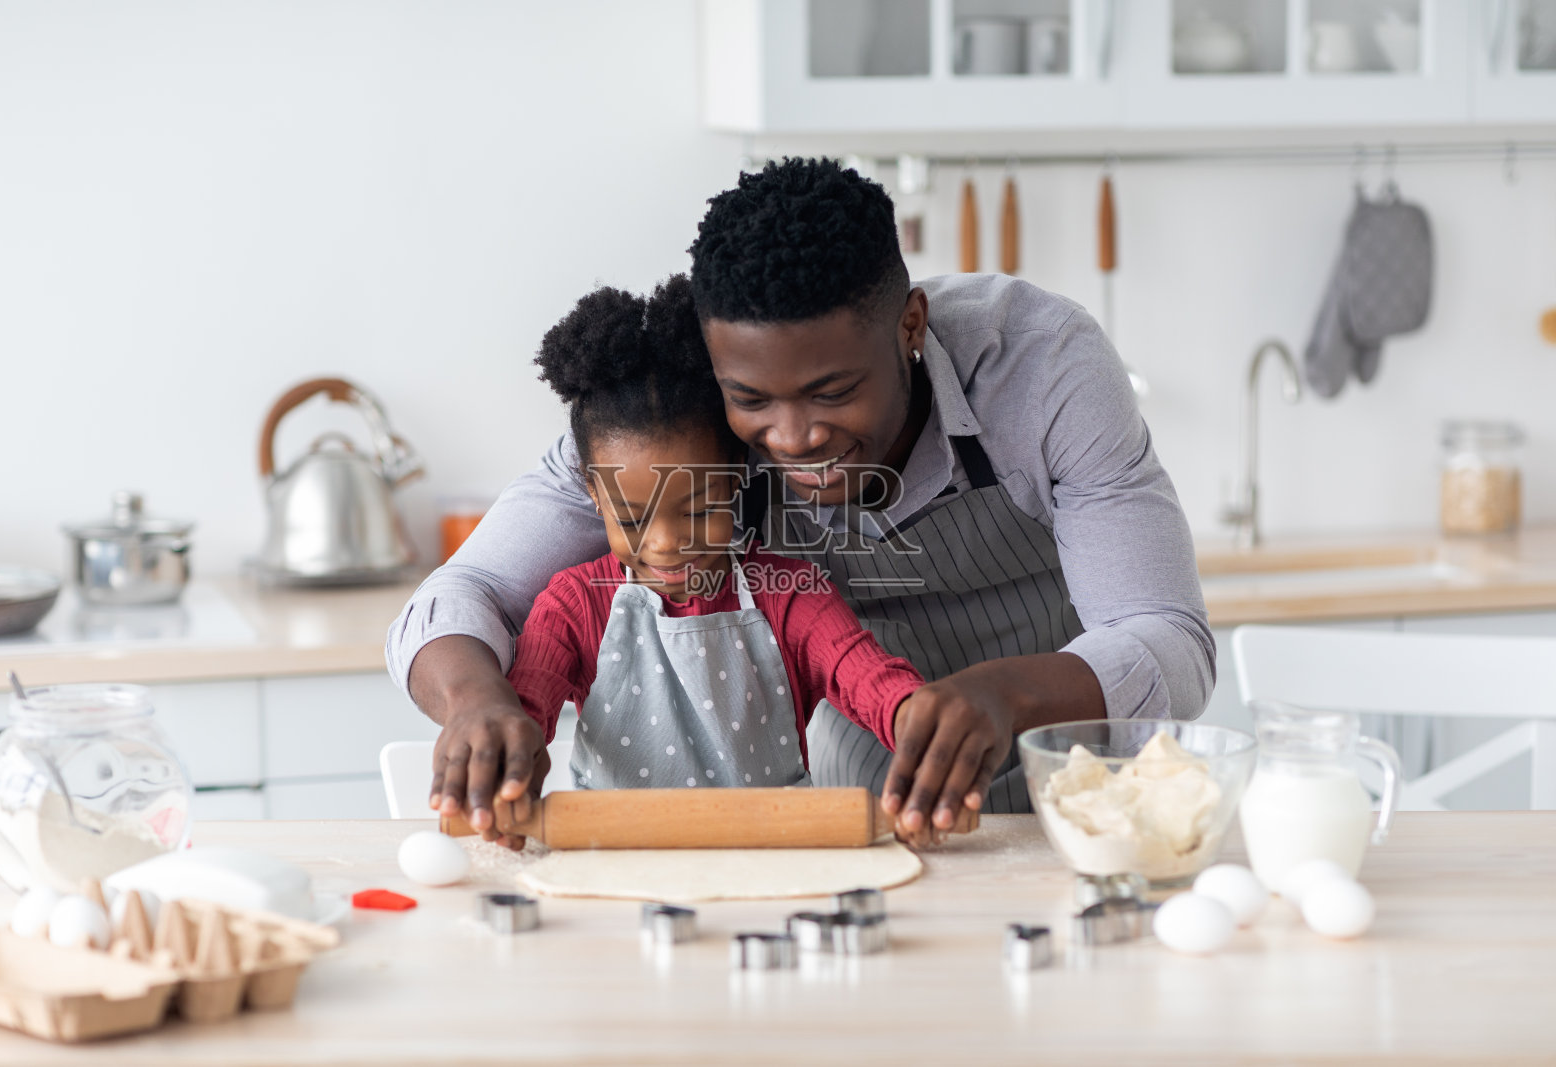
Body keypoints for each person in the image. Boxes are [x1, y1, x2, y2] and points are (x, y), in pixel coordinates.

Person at [388, 157, 1214, 844]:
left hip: (1084, 785)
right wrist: (478, 700)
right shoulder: (683, 404)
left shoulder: (1041, 368)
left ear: (912, 326)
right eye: (753, 400)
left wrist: (1007, 693)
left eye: (832, 391)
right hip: (875, 806)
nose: (792, 436)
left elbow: (1169, 639)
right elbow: (463, 596)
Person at [485, 276, 924, 848]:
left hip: (778, 858)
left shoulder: (789, 594)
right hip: (612, 859)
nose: (666, 545)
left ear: (737, 477)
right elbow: (527, 705)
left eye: (696, 511)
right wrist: (507, 760)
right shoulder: (574, 606)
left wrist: (917, 720)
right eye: (635, 519)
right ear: (593, 495)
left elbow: (866, 677)